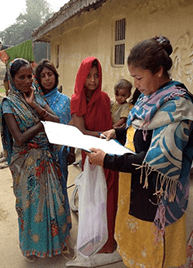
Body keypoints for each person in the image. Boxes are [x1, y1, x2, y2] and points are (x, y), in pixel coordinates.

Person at [86, 36, 193, 267]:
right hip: (135, 186)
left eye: (139, 77)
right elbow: (140, 132)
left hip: (158, 196)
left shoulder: (177, 105)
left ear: (159, 71)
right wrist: (119, 133)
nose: (136, 84)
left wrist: (107, 160)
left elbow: (157, 160)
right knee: (137, 243)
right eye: (133, 77)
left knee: (156, 251)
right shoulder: (148, 97)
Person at [0, 58, 74, 263]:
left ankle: (58, 244)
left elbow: (57, 120)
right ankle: (32, 247)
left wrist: (35, 106)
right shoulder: (9, 104)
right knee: (32, 206)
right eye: (21, 77)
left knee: (55, 202)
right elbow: (20, 139)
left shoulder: (37, 95)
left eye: (29, 76)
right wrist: (42, 123)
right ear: (12, 79)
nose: (26, 81)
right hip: (26, 163)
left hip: (47, 158)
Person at [66, 57, 121, 267]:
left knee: (109, 199)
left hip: (107, 155)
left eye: (97, 75)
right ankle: (95, 237)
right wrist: (103, 135)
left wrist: (107, 137)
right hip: (91, 157)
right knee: (93, 200)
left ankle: (108, 243)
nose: (93, 80)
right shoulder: (76, 100)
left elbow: (108, 125)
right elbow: (81, 133)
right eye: (88, 76)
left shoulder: (105, 98)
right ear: (81, 76)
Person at [34, 59, 75, 231]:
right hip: (40, 154)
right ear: (38, 79)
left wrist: (72, 150)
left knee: (60, 190)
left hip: (60, 154)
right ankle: (45, 232)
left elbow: (70, 126)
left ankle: (63, 229)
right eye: (43, 76)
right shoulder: (33, 99)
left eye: (50, 74)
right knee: (41, 193)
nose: (47, 78)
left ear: (55, 77)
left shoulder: (65, 100)